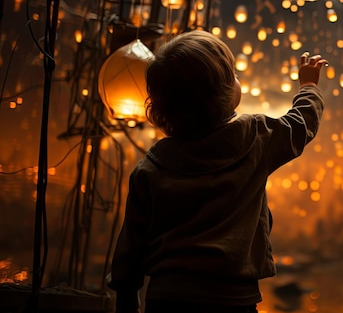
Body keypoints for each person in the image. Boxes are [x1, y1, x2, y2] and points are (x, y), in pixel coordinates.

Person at [107, 29, 326, 313]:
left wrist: (126, 299)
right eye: (232, 75)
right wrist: (308, 86)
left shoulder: (150, 168)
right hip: (234, 299)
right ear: (224, 94)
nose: (237, 79)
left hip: (167, 298)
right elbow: (301, 125)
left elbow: (130, 247)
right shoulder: (255, 138)